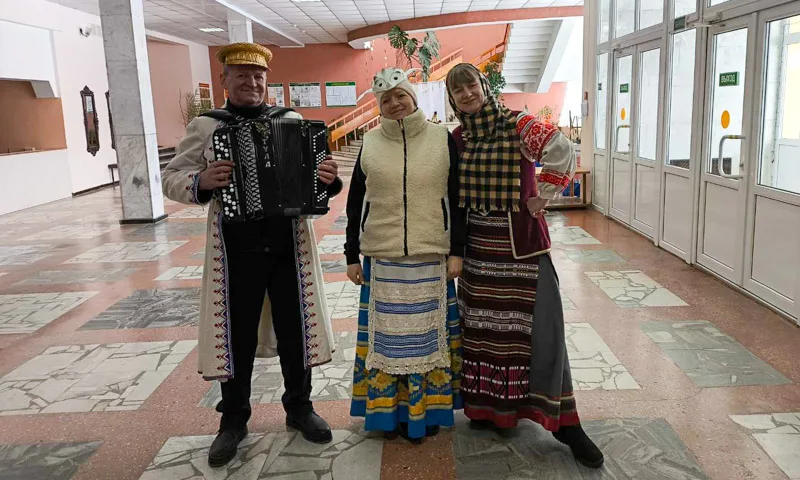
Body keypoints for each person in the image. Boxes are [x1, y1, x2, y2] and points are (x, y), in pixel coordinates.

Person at [162, 42, 342, 467]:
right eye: (241, 75)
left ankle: (299, 408)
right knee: (235, 334)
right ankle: (233, 421)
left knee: (295, 329)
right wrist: (202, 180)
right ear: (224, 80)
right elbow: (172, 177)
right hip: (235, 246)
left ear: (267, 80)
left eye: (258, 76)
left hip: (288, 243)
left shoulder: (291, 121)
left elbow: (318, 182)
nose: (251, 82)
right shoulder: (208, 126)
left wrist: (328, 180)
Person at [445, 63, 604, 468]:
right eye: (458, 90)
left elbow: (561, 149)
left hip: (522, 249)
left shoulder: (517, 124)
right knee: (484, 333)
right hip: (478, 253)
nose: (467, 94)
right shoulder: (458, 138)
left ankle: (564, 422)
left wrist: (544, 194)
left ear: (484, 86)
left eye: (471, 85)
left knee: (543, 332)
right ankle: (489, 409)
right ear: (452, 98)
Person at [344, 68, 467, 443]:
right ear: (379, 106)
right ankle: (388, 415)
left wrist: (457, 251)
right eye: (386, 99)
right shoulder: (369, 142)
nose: (395, 103)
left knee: (429, 340)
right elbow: (355, 201)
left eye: (401, 95)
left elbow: (456, 198)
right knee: (388, 343)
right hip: (382, 259)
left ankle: (426, 413)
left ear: (413, 98)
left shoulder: (440, 139)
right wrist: (351, 254)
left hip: (431, 256)